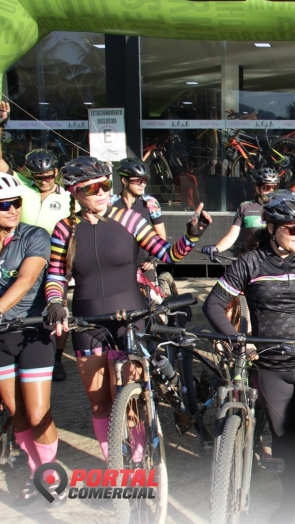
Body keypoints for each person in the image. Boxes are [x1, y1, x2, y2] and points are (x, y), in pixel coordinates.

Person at [44, 156, 211, 463]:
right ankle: (116, 467)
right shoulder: (64, 229)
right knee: (100, 404)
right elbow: (55, 275)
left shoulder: (130, 219)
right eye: (92, 188)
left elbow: (166, 254)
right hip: (88, 321)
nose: (101, 192)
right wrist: (55, 302)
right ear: (75, 193)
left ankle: (137, 460)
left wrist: (191, 235)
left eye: (105, 185)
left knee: (131, 400)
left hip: (131, 317)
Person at [203, 189, 295, 524]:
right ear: (272, 227)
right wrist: (239, 340)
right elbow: (213, 304)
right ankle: (290, 501)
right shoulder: (250, 262)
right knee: (282, 439)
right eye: (293, 228)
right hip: (271, 367)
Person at [0, 174, 62, 505]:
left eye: (16, 203)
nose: (12, 209)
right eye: (4, 205)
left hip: (32, 329)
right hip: (1, 336)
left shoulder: (34, 235)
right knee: (16, 411)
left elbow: (25, 280)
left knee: (38, 412)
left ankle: (50, 474)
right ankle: (34, 470)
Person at [0, 147, 72, 381]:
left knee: (58, 307)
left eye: (48, 176)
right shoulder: (22, 191)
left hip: (55, 261)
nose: (44, 180)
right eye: (38, 176)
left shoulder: (67, 197)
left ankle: (57, 357)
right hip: (20, 256)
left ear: (56, 172)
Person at [110, 157, 167, 293]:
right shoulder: (110, 203)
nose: (143, 184)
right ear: (124, 181)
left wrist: (153, 259)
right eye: (137, 180)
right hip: (117, 264)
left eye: (145, 180)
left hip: (144, 263)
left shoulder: (150, 203)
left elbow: (161, 235)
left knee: (152, 300)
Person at [201, 167, 279, 259]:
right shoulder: (245, 208)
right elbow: (231, 236)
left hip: (274, 261)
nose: (271, 191)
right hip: (251, 261)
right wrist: (216, 248)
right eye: (267, 187)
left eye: (274, 187)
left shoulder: (281, 208)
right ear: (257, 189)